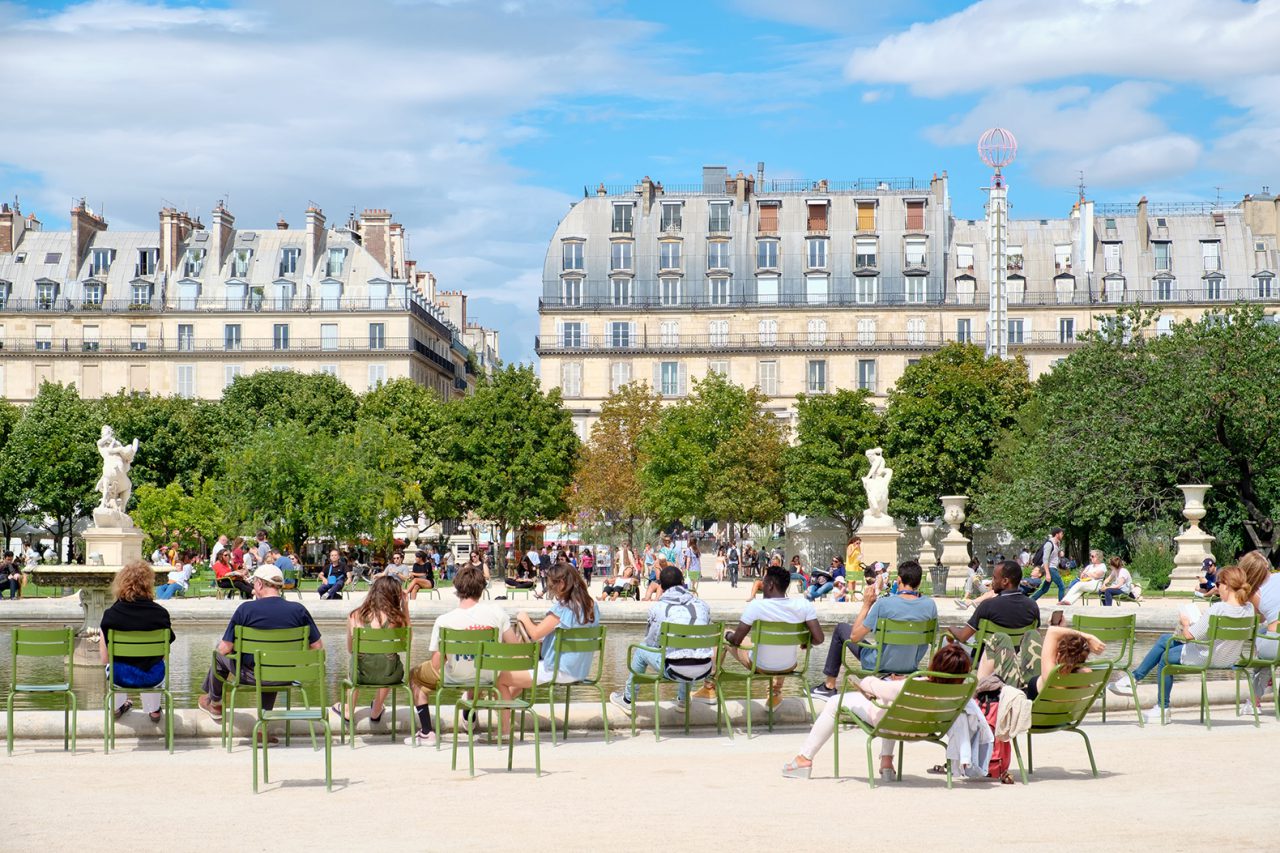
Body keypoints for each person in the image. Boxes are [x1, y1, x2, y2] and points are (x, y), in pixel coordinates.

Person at [783, 642, 974, 780]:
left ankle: (804, 758)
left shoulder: (913, 684)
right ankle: (886, 763)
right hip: (927, 728)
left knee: (834, 702)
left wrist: (878, 682)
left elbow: (869, 684)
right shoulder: (961, 690)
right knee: (894, 707)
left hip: (893, 724)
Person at [1110, 563, 1255, 723]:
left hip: (1206, 656)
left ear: (1227, 586)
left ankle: (1162, 707)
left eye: (1219, 585)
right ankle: (1133, 680)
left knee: (1165, 657)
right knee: (1165, 639)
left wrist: (1186, 622)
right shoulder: (1249, 609)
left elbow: (1189, 636)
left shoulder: (1218, 609)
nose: (1217, 588)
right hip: (1228, 658)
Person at [197, 565, 323, 731]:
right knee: (271, 664)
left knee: (218, 654)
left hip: (252, 676)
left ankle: (214, 702)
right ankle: (262, 727)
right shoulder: (299, 610)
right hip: (286, 675)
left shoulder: (245, 610)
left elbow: (224, 649)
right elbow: (318, 649)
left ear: (259, 585)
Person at [405, 564, 510, 746]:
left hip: (454, 677)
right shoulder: (497, 614)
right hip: (488, 676)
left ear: (457, 589)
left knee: (415, 676)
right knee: (478, 668)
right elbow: (513, 647)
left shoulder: (445, 620)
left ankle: (427, 732)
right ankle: (470, 702)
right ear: (482, 589)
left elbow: (437, 663)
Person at [496, 564, 601, 732]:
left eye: (552, 584)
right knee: (517, 681)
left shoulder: (563, 608)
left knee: (500, 679)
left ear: (562, 583)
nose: (551, 588)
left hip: (557, 669)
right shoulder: (592, 606)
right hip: (580, 670)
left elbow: (535, 633)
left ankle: (503, 731)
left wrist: (523, 617)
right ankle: (501, 710)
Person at [811, 560, 937, 699]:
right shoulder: (929, 605)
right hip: (911, 665)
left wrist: (866, 604)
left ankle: (829, 686)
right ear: (918, 583)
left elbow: (854, 637)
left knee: (842, 628)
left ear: (898, 580)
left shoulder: (884, 603)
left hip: (880, 663)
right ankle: (898, 676)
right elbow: (932, 640)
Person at [610, 565, 713, 713]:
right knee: (688, 649)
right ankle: (683, 701)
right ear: (683, 582)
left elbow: (652, 642)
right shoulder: (703, 605)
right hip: (703, 668)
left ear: (661, 586)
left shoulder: (658, 608)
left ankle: (628, 699)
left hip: (674, 670)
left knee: (640, 650)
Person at [719, 564, 823, 708]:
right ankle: (774, 692)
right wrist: (806, 642)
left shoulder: (756, 606)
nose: (761, 584)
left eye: (764, 581)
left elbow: (737, 641)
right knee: (780, 646)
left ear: (771, 585)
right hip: (789, 666)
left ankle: (709, 688)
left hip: (761, 666)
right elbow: (819, 638)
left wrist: (728, 636)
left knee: (723, 634)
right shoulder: (804, 605)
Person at [100, 560, 176, 723]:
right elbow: (163, 655)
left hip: (120, 676)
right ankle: (154, 710)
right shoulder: (161, 614)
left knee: (114, 665)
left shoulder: (111, 615)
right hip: (152, 677)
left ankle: (115, 706)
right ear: (149, 584)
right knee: (151, 664)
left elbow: (105, 659)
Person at [332, 575, 409, 725]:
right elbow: (408, 642)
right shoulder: (398, 619)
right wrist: (405, 607)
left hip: (360, 676)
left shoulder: (354, 616)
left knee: (357, 662)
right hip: (390, 676)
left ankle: (348, 710)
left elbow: (350, 650)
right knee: (388, 662)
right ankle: (377, 709)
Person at [949, 560, 1040, 646]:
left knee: (948, 640)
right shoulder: (1032, 606)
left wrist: (951, 628)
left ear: (1005, 581)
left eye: (994, 578)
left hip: (986, 658)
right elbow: (1035, 636)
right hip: (1015, 659)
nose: (992, 582)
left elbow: (963, 636)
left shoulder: (987, 605)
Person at [1241, 550, 1278, 713]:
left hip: (1274, 646)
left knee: (1263, 653)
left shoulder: (1253, 593)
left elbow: (1260, 618)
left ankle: (1254, 702)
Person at [1029, 527, 1066, 601]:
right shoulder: (1049, 544)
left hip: (1053, 568)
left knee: (1044, 589)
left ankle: (1030, 601)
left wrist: (1059, 553)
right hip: (1050, 568)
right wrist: (1048, 573)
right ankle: (1061, 603)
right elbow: (1045, 559)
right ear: (1056, 534)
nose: (1063, 535)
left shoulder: (1057, 544)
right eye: (1061, 534)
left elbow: (1054, 557)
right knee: (1061, 586)